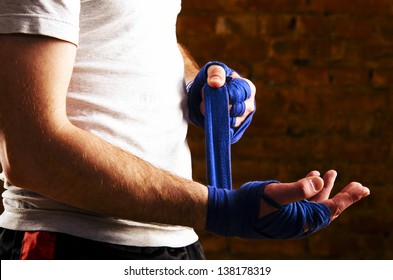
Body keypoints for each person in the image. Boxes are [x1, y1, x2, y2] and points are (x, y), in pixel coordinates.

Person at [0, 0, 369, 260]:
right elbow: (32, 151)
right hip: (68, 241)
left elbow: (132, 31)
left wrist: (197, 86)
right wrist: (225, 210)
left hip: (175, 240)